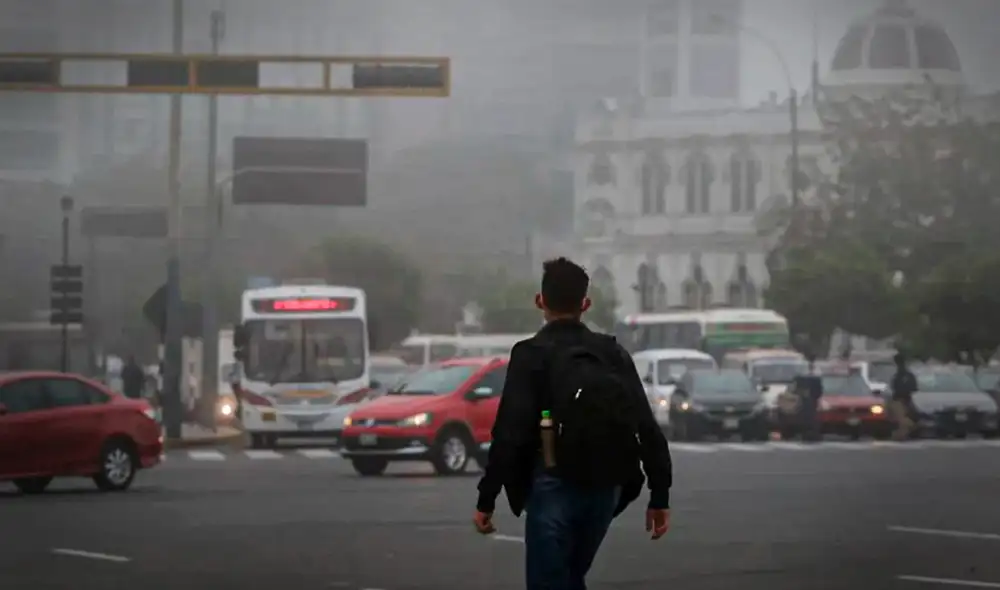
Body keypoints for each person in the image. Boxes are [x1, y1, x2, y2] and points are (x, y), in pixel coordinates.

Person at [473, 257, 673, 590]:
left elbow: (510, 432)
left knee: (551, 581)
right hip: (607, 485)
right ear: (585, 304)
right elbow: (645, 423)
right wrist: (660, 495)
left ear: (540, 301)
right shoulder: (611, 352)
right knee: (570, 577)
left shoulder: (530, 353)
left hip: (552, 481)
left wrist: (487, 498)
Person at [889, 353, 918, 441]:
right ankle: (902, 434)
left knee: (903, 419)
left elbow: (893, 387)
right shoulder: (908, 375)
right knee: (904, 419)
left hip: (900, 399)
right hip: (905, 399)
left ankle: (901, 434)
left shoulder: (897, 374)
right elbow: (914, 388)